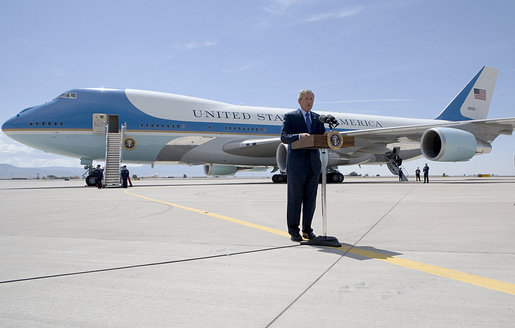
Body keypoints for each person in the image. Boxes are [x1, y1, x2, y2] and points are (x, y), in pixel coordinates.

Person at [280, 89, 326, 242]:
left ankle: (307, 230)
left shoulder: (318, 118)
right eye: (307, 98)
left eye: (312, 99)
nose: (309, 101)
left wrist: (327, 137)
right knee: (295, 199)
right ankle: (294, 231)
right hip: (296, 165)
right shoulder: (291, 117)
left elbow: (321, 138)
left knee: (310, 200)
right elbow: (284, 137)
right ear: (299, 101)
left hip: (314, 164)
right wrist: (299, 136)